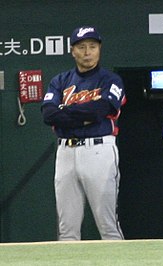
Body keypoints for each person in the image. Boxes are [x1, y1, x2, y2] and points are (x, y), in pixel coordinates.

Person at [41, 26, 126, 241]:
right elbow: (49, 114)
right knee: (66, 230)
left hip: (99, 150)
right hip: (65, 152)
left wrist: (66, 111)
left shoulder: (110, 80)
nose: (87, 52)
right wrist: (84, 114)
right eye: (82, 47)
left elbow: (103, 109)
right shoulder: (60, 80)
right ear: (73, 51)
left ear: (99, 49)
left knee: (108, 226)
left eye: (92, 46)